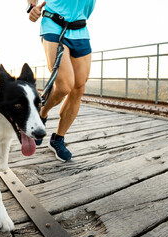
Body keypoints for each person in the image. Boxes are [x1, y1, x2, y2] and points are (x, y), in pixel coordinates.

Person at [27, 0, 96, 161]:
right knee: (65, 85)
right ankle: (41, 114)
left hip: (81, 30)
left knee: (78, 88)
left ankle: (58, 139)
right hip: (54, 24)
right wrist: (31, 6)